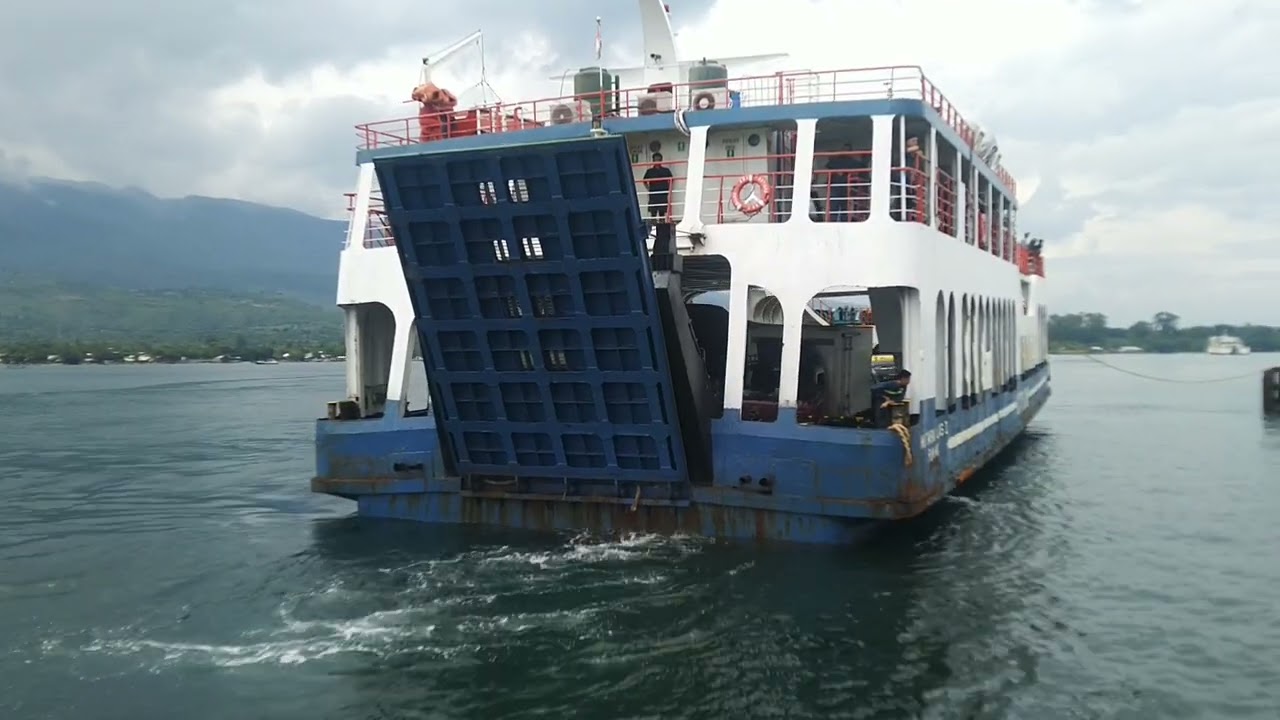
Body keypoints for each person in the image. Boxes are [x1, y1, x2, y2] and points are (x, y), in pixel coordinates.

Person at [642, 153, 674, 221]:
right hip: (653, 194)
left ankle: (662, 227)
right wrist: (649, 189)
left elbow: (671, 180)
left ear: (661, 160)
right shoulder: (649, 171)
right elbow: (644, 181)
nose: (657, 161)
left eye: (659, 159)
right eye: (656, 159)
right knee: (653, 212)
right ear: (653, 160)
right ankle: (653, 226)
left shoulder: (666, 170)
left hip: (663, 193)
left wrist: (668, 189)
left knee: (662, 212)